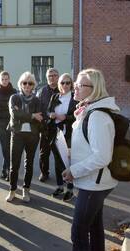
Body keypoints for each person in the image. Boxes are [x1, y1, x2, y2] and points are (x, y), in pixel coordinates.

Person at [62, 68, 119, 251]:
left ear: (94, 89)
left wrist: (74, 170)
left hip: (94, 183)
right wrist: (72, 152)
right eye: (75, 83)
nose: (74, 87)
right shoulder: (90, 110)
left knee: (78, 232)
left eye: (79, 84)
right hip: (95, 180)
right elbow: (91, 146)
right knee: (94, 227)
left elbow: (103, 156)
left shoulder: (97, 116)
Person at [6, 72, 43, 202]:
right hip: (17, 134)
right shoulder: (14, 98)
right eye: (24, 83)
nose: (27, 85)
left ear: (33, 85)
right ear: (20, 84)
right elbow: (15, 115)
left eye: (30, 83)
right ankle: (12, 190)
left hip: (32, 135)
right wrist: (32, 115)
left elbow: (40, 118)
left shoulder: (37, 100)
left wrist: (25, 115)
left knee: (29, 164)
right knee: (14, 164)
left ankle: (26, 190)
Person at [47, 73, 78, 202]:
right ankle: (60, 186)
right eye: (62, 83)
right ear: (59, 85)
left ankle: (70, 189)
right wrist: (51, 115)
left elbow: (78, 115)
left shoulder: (74, 98)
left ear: (71, 84)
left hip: (69, 133)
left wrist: (66, 117)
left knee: (68, 161)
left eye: (67, 83)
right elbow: (48, 111)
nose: (65, 85)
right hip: (55, 132)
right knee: (57, 160)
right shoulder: (55, 96)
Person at [0, 71, 16, 180]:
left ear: (9, 79)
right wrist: (7, 104)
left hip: (11, 121)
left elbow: (15, 106)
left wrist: (1, 104)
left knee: (9, 146)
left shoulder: (14, 91)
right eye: (3, 79)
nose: (4, 81)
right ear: (0, 80)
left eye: (6, 79)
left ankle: (5, 169)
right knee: (5, 145)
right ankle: (8, 170)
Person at [37, 68, 60, 182]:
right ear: (47, 78)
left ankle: (61, 174)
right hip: (45, 127)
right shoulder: (41, 91)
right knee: (44, 153)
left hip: (59, 127)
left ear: (58, 77)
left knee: (59, 153)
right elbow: (38, 108)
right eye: (50, 76)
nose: (52, 77)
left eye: (55, 75)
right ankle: (44, 172)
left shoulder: (62, 90)